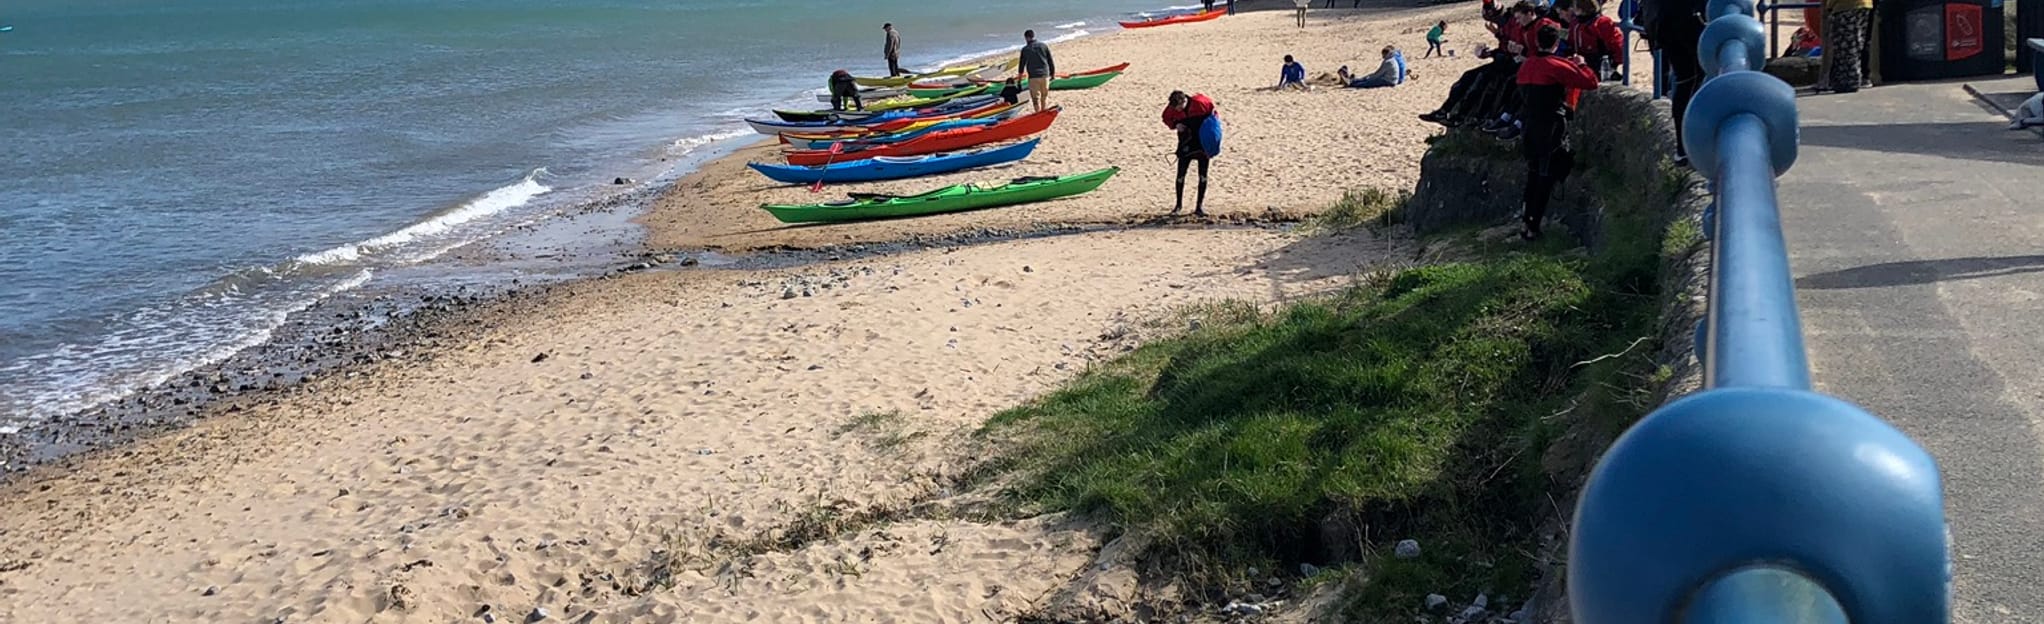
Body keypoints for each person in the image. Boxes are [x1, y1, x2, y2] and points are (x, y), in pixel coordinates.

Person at [1515, 25, 1599, 240]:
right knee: (1546, 174)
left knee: (1533, 173)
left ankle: (1526, 222)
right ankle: (1533, 226)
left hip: (1528, 125)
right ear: (1556, 44)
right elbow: (1590, 82)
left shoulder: (1526, 65)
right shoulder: (1556, 65)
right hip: (1550, 125)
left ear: (1536, 42)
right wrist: (1582, 65)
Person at [1640, 0, 1706, 165]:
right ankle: (1686, 147)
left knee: (1686, 82)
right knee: (1691, 82)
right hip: (1684, 26)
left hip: (1667, 27)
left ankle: (1684, 148)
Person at [1161, 91, 1217, 216]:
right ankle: (1178, 206)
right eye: (1176, 108)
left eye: (1180, 107)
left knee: (1203, 175)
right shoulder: (1172, 107)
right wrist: (1176, 124)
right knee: (1181, 174)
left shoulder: (1200, 102)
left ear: (1184, 100)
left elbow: (1214, 116)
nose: (1178, 110)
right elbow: (1166, 118)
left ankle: (1199, 207)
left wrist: (1212, 136)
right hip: (1185, 142)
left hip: (1203, 142)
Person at [1816, 0, 1871, 93]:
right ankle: (1855, 79)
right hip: (1865, 4)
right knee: (1856, 44)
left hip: (1846, 5)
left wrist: (1829, 6)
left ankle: (1847, 82)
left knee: (1844, 46)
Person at [1567, 0, 1624, 81]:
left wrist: (1615, 62)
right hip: (1580, 61)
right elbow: (1571, 41)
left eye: (1575, 6)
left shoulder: (1601, 23)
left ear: (1581, 9)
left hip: (1600, 62)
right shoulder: (1576, 23)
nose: (1572, 8)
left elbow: (1617, 44)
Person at [1018, 30, 1056, 113]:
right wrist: (1052, 74)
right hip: (1044, 75)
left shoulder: (1025, 49)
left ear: (1026, 38)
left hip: (1033, 76)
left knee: (1035, 98)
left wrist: (1019, 80)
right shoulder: (1043, 46)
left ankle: (1037, 112)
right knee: (1044, 96)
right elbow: (1050, 61)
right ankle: (1043, 110)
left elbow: (1021, 66)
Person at [1340, 47, 1404, 88]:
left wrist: (1370, 77)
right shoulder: (1392, 59)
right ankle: (1353, 81)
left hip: (1389, 81)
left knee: (1368, 83)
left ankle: (1351, 84)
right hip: (1390, 79)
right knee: (1367, 79)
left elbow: (1379, 73)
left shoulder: (1388, 62)